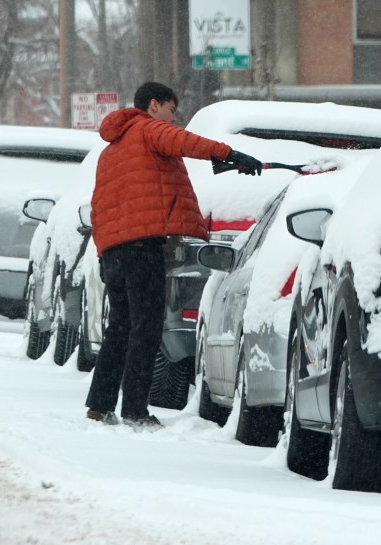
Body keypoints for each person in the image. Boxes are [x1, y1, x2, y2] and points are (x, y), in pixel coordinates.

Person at [85, 81, 262, 427]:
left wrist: (103, 251)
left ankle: (100, 404)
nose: (173, 118)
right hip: (142, 247)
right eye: (171, 109)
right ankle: (135, 410)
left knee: (119, 328)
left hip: (114, 251)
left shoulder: (111, 151)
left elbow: (98, 205)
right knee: (147, 328)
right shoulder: (149, 130)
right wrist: (230, 154)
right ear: (154, 105)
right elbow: (186, 143)